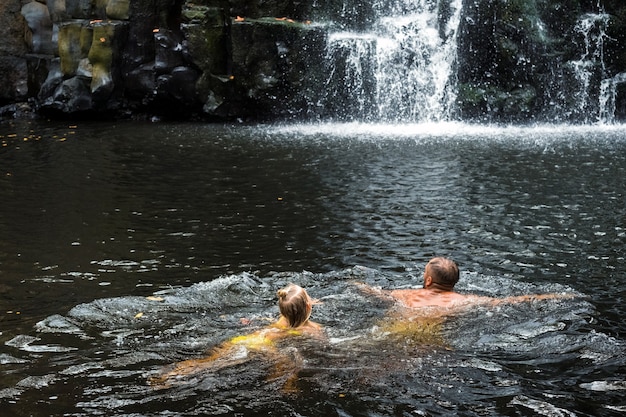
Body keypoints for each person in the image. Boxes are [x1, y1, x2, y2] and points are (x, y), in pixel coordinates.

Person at [149, 283, 324, 389]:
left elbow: (288, 314)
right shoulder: (312, 329)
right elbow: (321, 341)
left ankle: (169, 374)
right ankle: (285, 387)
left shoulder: (282, 318)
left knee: (210, 362)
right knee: (288, 364)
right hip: (262, 345)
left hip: (245, 339)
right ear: (309, 306)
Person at [355, 257, 574, 311]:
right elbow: (511, 301)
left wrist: (356, 283)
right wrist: (557, 296)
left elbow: (375, 293)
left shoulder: (406, 294)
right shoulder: (463, 300)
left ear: (428, 280)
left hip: (399, 323)